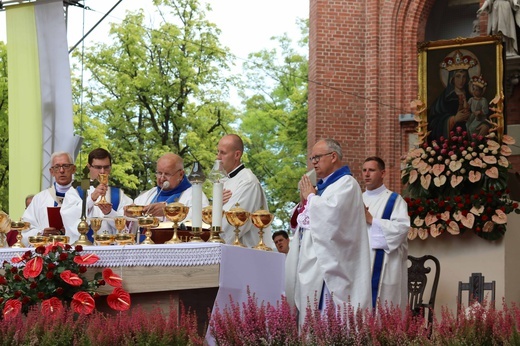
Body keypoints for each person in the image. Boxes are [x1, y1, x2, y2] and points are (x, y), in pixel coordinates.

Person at [285, 138, 371, 325]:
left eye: (317, 157)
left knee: (328, 322)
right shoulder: (323, 187)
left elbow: (332, 219)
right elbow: (303, 222)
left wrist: (311, 198)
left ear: (333, 157)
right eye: (312, 158)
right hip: (313, 262)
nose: (313, 162)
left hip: (331, 266)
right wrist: (304, 202)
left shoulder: (347, 184)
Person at [362, 156, 410, 310]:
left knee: (385, 310)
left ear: (383, 173)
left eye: (371, 170)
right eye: (364, 170)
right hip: (360, 264)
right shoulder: (357, 200)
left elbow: (402, 229)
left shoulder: (395, 201)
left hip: (385, 266)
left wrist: (372, 220)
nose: (367, 174)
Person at [61, 148, 133, 244]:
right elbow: (69, 217)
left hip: (111, 251)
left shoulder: (119, 195)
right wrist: (91, 199)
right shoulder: (76, 191)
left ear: (110, 168)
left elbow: (126, 229)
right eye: (98, 167)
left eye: (106, 167)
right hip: (83, 250)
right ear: (88, 167)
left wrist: (109, 212)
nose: (102, 172)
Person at [217, 134, 275, 248]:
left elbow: (231, 227)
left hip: (245, 252)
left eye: (223, 153)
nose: (218, 158)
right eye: (217, 152)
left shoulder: (248, 182)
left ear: (237, 155)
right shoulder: (224, 180)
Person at [129, 152, 209, 223]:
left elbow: (199, 219)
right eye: (159, 173)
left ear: (181, 174)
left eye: (167, 174)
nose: (162, 178)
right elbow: (134, 227)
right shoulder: (147, 196)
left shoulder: (195, 195)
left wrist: (168, 211)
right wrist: (130, 215)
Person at [19, 152, 76, 246]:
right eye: (57, 167)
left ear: (73, 169)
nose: (61, 170)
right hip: (47, 254)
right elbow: (25, 231)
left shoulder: (82, 196)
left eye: (66, 166)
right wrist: (42, 233)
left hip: (77, 252)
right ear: (51, 171)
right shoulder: (39, 199)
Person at [428, 50, 478, 141]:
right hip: (452, 142)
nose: (461, 80)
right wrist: (453, 119)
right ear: (452, 79)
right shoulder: (444, 99)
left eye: (464, 76)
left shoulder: (473, 97)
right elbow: (433, 122)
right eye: (458, 76)